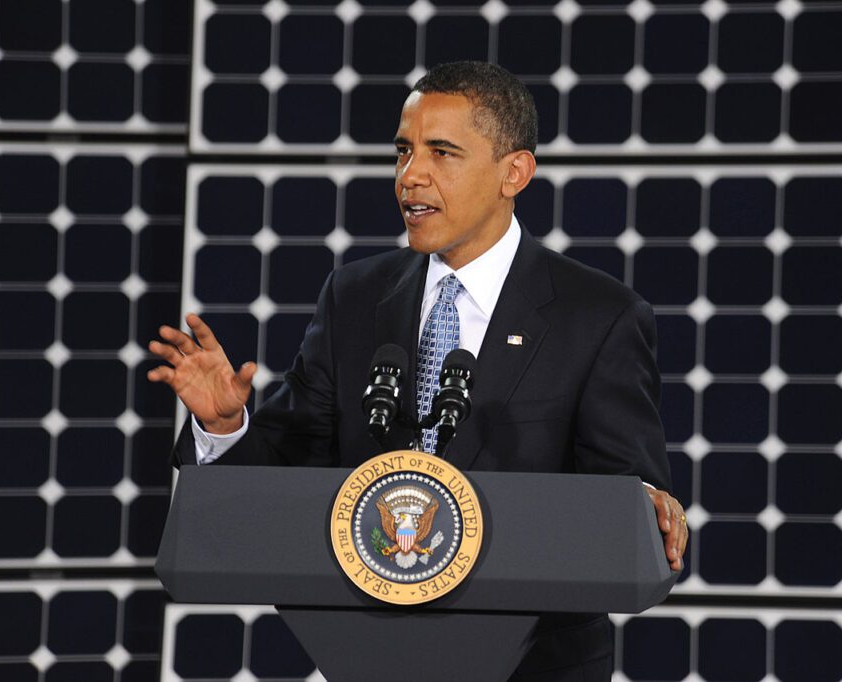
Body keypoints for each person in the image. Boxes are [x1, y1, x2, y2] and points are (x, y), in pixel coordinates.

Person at [149, 61, 688, 681]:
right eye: (403, 152)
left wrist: (644, 505)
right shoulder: (353, 296)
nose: (411, 177)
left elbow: (630, 503)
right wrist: (226, 426)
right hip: (368, 653)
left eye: (442, 152)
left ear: (513, 172)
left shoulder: (599, 317)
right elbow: (283, 475)